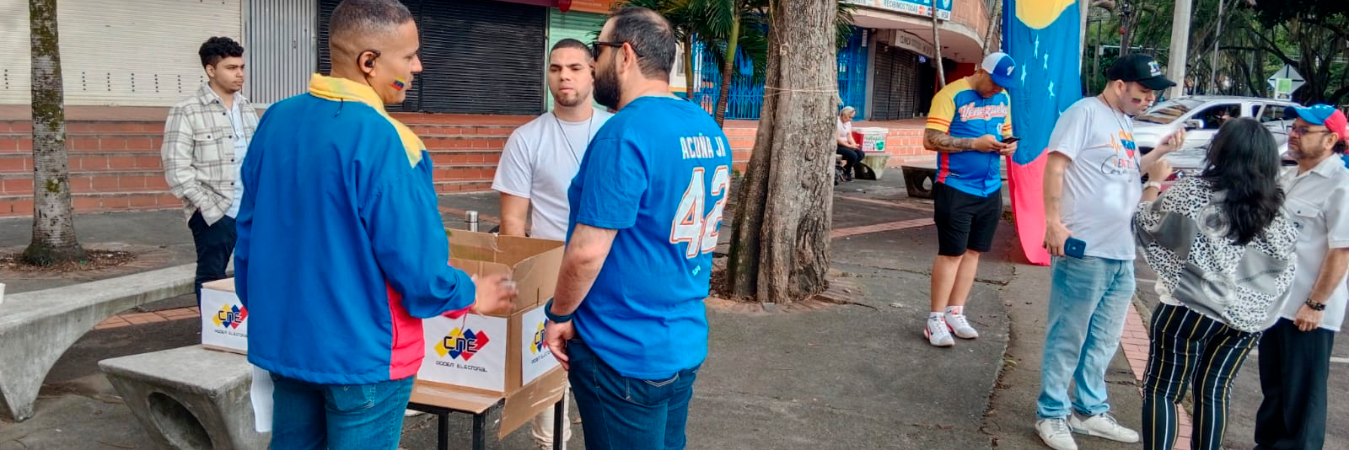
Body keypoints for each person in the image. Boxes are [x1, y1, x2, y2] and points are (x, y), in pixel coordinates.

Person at [233, 1, 515, 448]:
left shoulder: (275, 121)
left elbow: (246, 235)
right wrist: (470, 294)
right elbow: (417, 266)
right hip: (364, 355)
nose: (418, 67)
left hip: (285, 345)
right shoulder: (390, 141)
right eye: (408, 57)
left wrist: (269, 310)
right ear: (369, 62)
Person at [541, 7, 730, 450]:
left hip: (621, 348)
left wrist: (560, 315)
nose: (592, 63)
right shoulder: (707, 127)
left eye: (597, 51)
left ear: (624, 55)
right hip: (681, 338)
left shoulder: (623, 133)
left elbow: (588, 251)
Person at [1036, 53, 1185, 450]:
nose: (1149, 98)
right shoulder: (1084, 113)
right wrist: (1052, 222)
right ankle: (1052, 413)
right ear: (1119, 85)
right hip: (1085, 246)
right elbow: (1055, 166)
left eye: (1153, 92)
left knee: (1103, 337)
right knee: (1068, 334)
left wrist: (1158, 154)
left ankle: (1089, 410)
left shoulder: (1123, 121)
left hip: (1121, 249)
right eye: (1143, 90)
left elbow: (1125, 170)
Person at [1133, 118, 1297, 450]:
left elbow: (1147, 222)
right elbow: (1285, 269)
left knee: (1163, 389)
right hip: (1245, 321)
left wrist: (1153, 183)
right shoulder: (1275, 210)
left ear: (1220, 150)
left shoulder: (1194, 191)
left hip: (1188, 310)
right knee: (1215, 391)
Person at [492, 37, 613, 450]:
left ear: (593, 72)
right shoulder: (526, 139)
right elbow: (512, 222)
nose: (565, 76)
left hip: (608, 281)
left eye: (575, 67)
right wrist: (526, 287)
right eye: (556, 68)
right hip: (550, 285)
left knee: (609, 397)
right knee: (548, 409)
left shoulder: (615, 133)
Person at [1254, 103, 1349, 450]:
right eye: (1293, 128)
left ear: (1331, 140)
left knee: (1302, 405)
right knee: (1274, 396)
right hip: (1275, 306)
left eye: (1303, 130)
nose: (1293, 135)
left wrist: (1315, 304)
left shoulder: (1341, 184)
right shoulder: (1289, 177)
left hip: (1307, 314)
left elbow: (1342, 251)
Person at [920, 52, 1019, 347]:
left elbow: (1006, 132)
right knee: (952, 253)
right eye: (995, 82)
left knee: (974, 252)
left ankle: (955, 312)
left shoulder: (1003, 99)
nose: (999, 89)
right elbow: (930, 139)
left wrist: (1007, 147)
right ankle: (935, 319)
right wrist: (972, 144)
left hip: (989, 188)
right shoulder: (951, 95)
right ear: (980, 71)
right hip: (956, 185)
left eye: (1005, 85)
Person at [161, 36, 257, 306]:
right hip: (215, 211)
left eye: (241, 67)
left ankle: (247, 333)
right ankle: (212, 334)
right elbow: (176, 168)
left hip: (250, 208)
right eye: (231, 68)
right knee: (210, 275)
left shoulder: (247, 108)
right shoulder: (187, 111)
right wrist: (207, 207)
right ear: (210, 70)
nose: (239, 74)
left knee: (254, 271)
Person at [837, 106, 863, 181]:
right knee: (853, 155)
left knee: (861, 154)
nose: (850, 119)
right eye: (849, 117)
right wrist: (849, 145)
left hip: (846, 144)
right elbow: (838, 139)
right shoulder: (837, 122)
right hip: (839, 145)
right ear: (844, 115)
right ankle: (847, 172)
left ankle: (845, 163)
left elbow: (849, 136)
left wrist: (854, 145)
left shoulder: (848, 123)